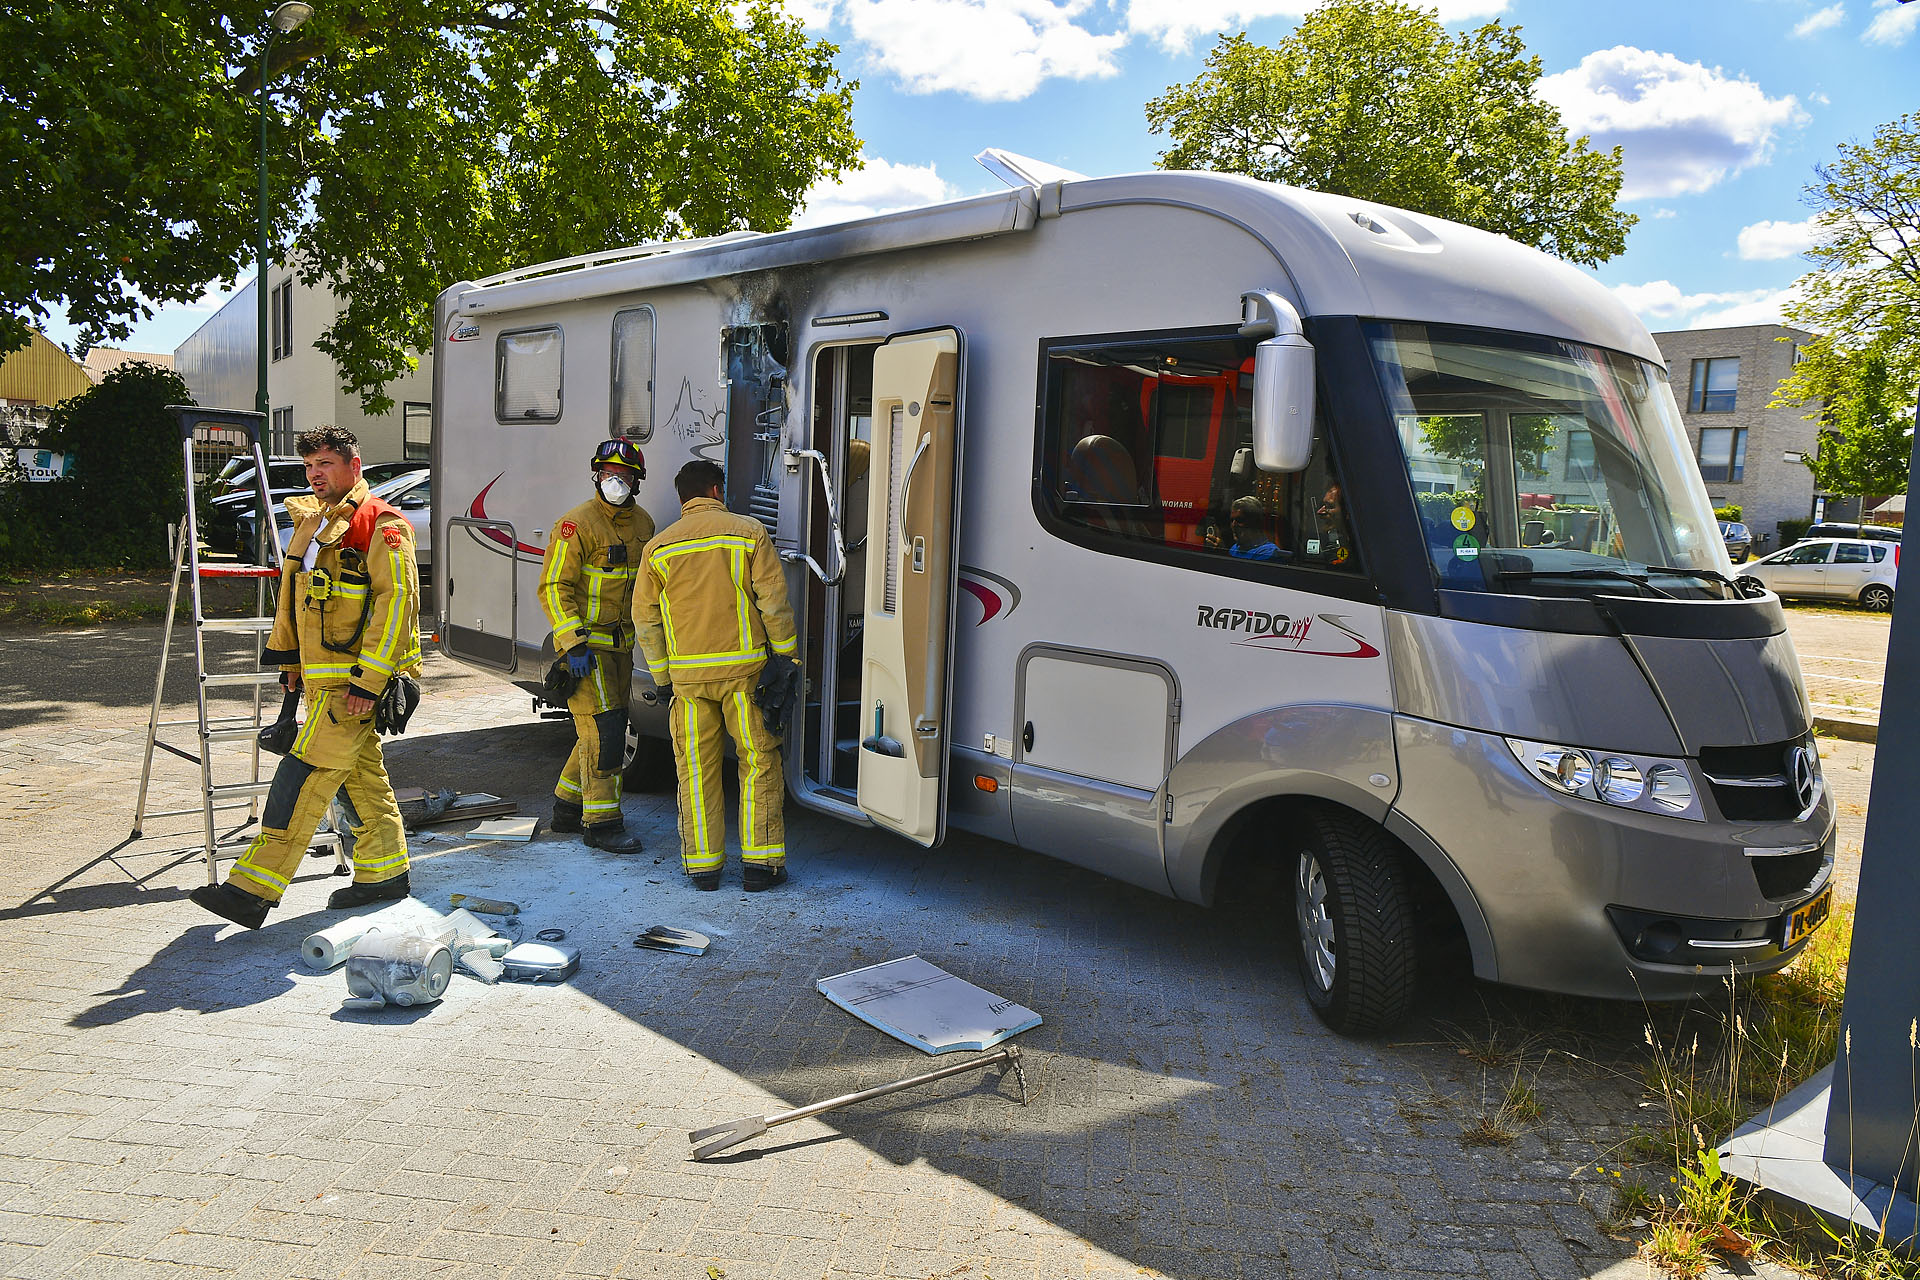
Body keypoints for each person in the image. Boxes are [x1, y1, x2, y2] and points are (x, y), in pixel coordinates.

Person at [189, 426, 420, 930]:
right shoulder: (313, 523)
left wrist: (369, 683)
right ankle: (385, 874)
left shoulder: (381, 525)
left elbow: (397, 605)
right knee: (361, 781)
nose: (315, 474)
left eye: (326, 464)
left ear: (354, 466)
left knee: (302, 780)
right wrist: (291, 663)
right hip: (322, 684)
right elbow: (296, 601)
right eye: (310, 466)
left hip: (354, 687)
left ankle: (250, 891)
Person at [634, 460, 798, 891]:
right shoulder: (749, 533)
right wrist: (787, 660)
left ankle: (703, 868)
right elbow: (773, 602)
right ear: (716, 490)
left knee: (695, 769)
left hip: (688, 683)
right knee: (758, 762)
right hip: (746, 676)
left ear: (682, 499)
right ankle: (761, 866)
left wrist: (662, 677)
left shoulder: (658, 548)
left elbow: (645, 619)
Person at [537, 439, 656, 852]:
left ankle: (567, 809)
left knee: (601, 728)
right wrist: (572, 644)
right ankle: (601, 824)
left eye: (623, 476)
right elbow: (554, 587)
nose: (614, 481)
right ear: (596, 476)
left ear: (636, 481)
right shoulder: (576, 524)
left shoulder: (643, 525)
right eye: (607, 474)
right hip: (586, 653)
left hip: (622, 650)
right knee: (604, 734)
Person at [1226, 495, 1287, 561]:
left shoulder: (1268, 553)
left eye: (1239, 520)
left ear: (1255, 522)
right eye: (1232, 520)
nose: (1233, 525)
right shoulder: (1234, 549)